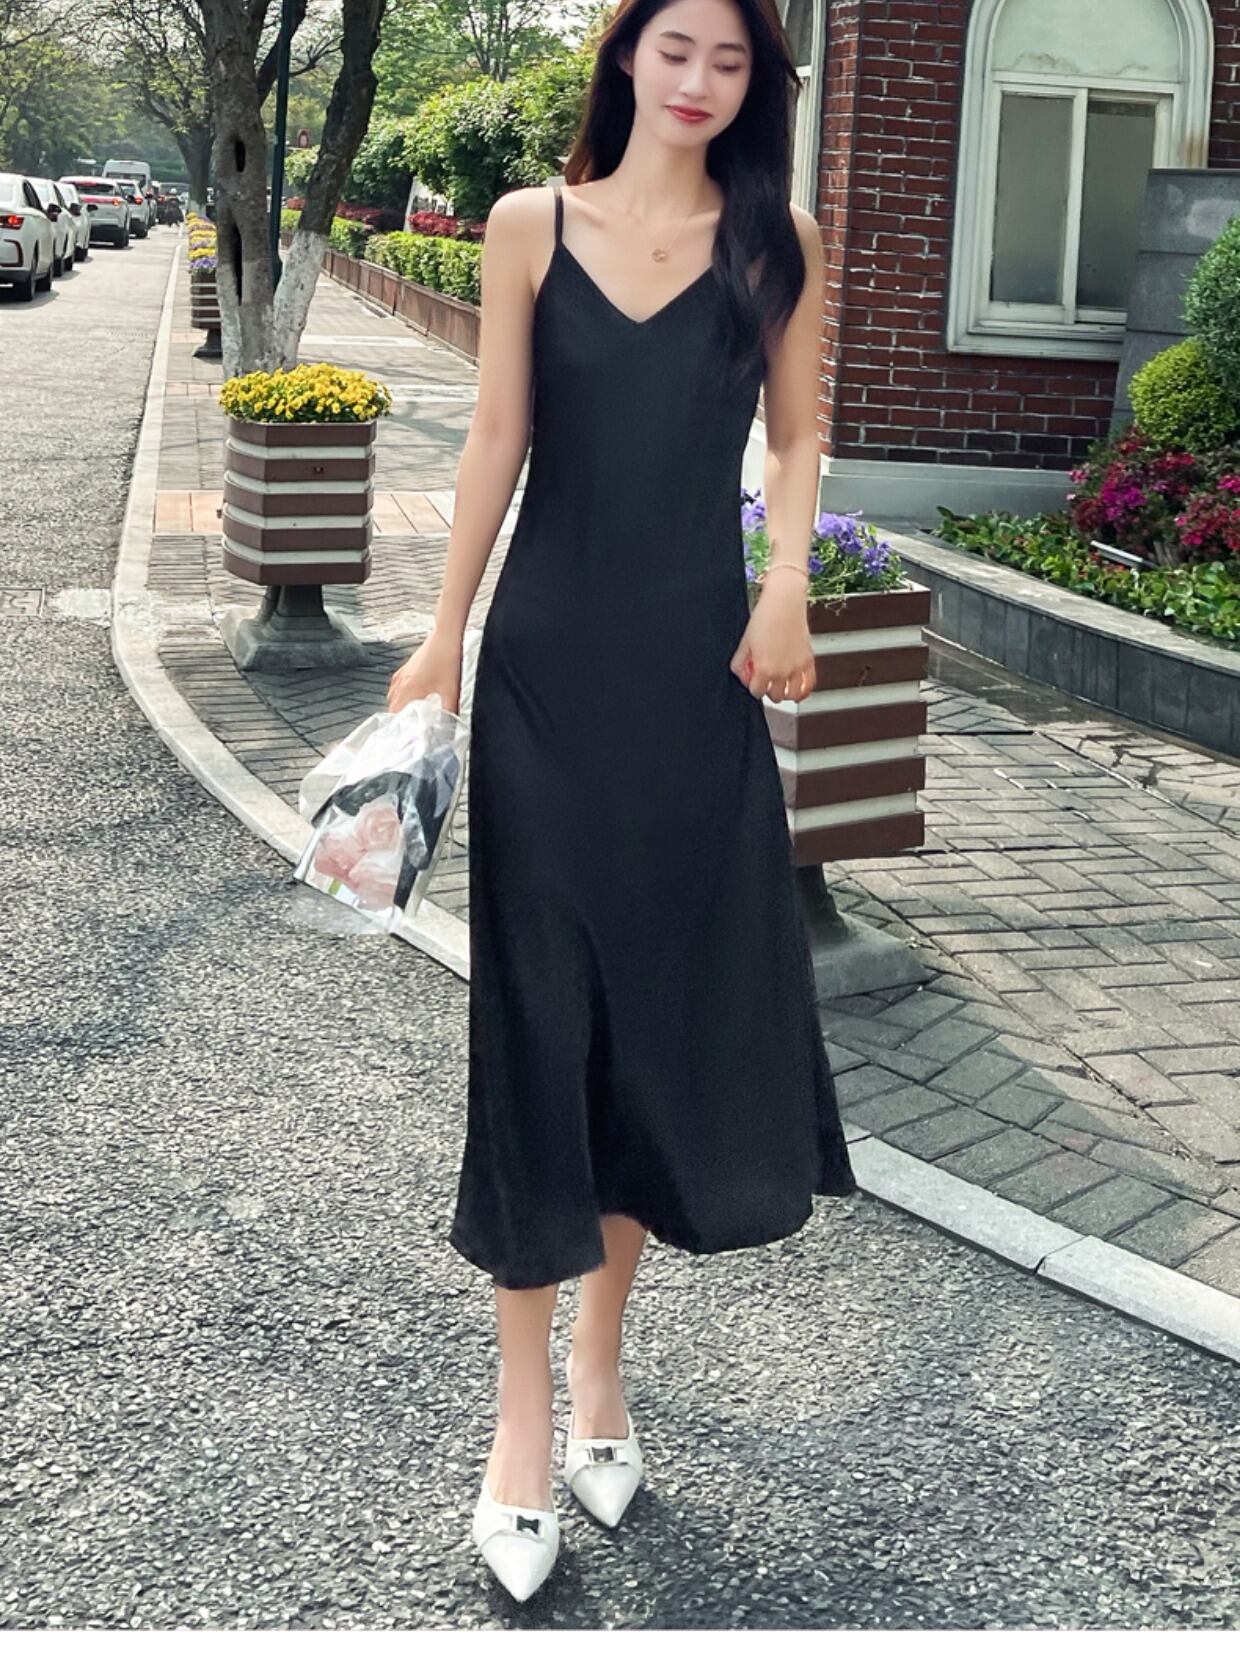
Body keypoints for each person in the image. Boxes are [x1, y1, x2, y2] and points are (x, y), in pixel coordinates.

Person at [386, 0, 857, 1603]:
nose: (701, 82)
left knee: (646, 1022)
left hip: (695, 682)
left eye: (731, 61)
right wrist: (441, 635)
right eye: (676, 51)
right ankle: (522, 1422)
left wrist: (787, 585)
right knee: (538, 1024)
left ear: (757, 82)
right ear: (626, 57)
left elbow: (797, 434)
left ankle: (601, 1360)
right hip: (545, 674)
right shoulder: (532, 224)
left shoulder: (778, 240)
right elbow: (495, 436)